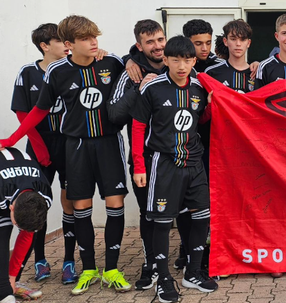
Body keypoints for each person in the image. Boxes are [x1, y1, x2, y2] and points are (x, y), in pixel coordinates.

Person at [0, 15, 130, 295]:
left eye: (95, 36)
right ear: (69, 44)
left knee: (114, 204)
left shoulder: (113, 63)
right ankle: (89, 270)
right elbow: (40, 110)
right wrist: (12, 138)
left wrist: (131, 60)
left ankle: (112, 269)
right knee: (80, 207)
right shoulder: (57, 71)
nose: (94, 42)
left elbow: (138, 72)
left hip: (109, 144)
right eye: (86, 38)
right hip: (77, 146)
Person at [131, 35, 218, 302]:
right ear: (166, 60)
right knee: (162, 221)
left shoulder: (198, 88)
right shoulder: (153, 88)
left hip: (194, 162)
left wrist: (212, 107)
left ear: (194, 61)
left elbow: (199, 118)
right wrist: (138, 165)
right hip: (163, 163)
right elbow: (138, 127)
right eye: (176, 60)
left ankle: (192, 272)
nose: (182, 65)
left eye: (187, 60)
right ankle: (163, 278)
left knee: (201, 216)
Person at [10, 22, 78, 290]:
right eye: (62, 41)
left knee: (71, 201)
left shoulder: (73, 67)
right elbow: (22, 113)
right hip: (39, 148)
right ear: (45, 46)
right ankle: (39, 260)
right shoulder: (27, 73)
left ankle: (70, 260)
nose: (67, 46)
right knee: (37, 202)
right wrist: (38, 147)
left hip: (70, 145)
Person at [108, 19, 168, 291]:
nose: (157, 46)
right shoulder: (129, 73)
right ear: (139, 46)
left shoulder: (178, 63)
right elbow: (114, 116)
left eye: (160, 39)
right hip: (144, 158)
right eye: (150, 42)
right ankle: (150, 264)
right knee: (149, 214)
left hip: (178, 158)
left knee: (184, 213)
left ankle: (188, 263)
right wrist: (139, 85)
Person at [0, 147, 51, 303]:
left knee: (30, 232)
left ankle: (11, 283)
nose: (17, 226)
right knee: (2, 233)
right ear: (11, 207)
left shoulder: (44, 195)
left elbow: (27, 234)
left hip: (16, 181)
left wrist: (12, 278)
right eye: (17, 222)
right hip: (4, 181)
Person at [205, 19, 255, 93]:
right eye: (233, 39)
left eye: (242, 39)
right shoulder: (211, 73)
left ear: (248, 43)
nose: (238, 44)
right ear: (225, 41)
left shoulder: (257, 74)